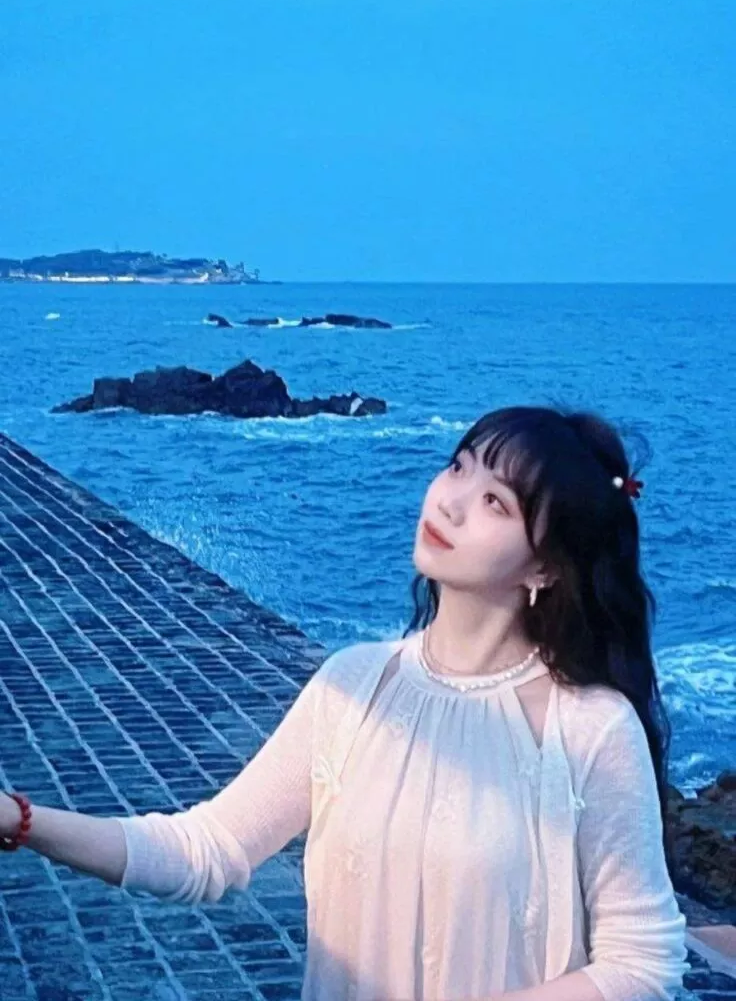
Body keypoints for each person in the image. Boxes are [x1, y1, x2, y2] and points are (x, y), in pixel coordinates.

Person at [0, 405, 691, 1001]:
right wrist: (21, 820)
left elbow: (644, 963)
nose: (449, 502)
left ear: (545, 567)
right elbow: (204, 849)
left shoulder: (589, 729)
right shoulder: (353, 686)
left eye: (495, 503)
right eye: (458, 468)